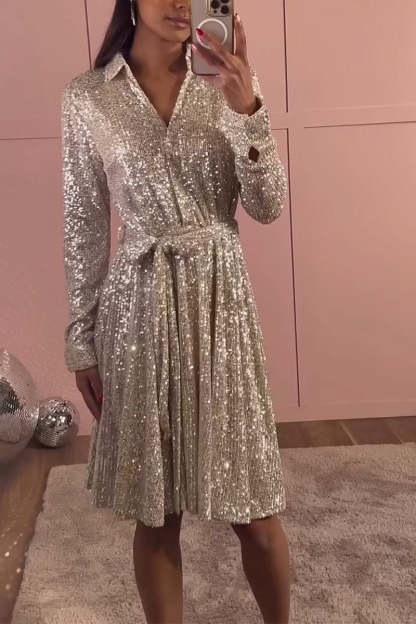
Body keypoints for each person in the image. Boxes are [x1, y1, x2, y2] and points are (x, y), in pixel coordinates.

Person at [61, 0, 290, 621]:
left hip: (221, 308)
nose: (182, 3)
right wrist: (82, 340)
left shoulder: (229, 85)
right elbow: (84, 226)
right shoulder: (88, 97)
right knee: (156, 513)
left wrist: (248, 109)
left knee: (255, 509)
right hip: (137, 311)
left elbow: (268, 206)